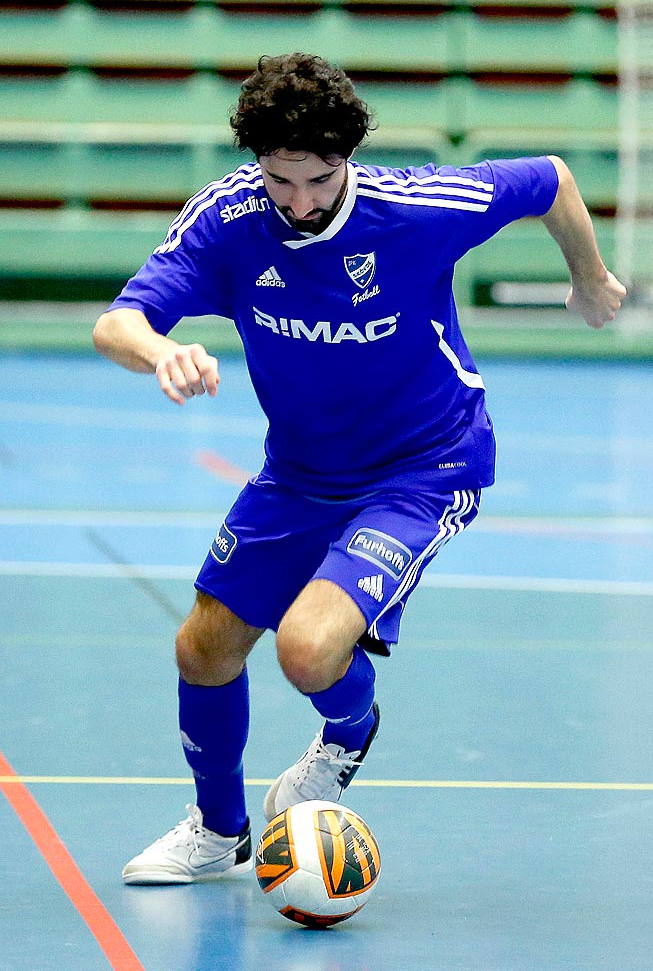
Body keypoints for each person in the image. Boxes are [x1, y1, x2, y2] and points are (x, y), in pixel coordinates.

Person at [94, 53, 625, 884]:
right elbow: (118, 321)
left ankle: (347, 734)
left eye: (320, 179)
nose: (299, 203)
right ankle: (218, 830)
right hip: (300, 472)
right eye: (280, 180)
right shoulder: (230, 218)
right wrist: (159, 350)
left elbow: (550, 178)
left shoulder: (418, 210)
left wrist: (589, 279)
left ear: (350, 156)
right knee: (202, 650)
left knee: (306, 653)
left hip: (425, 467)